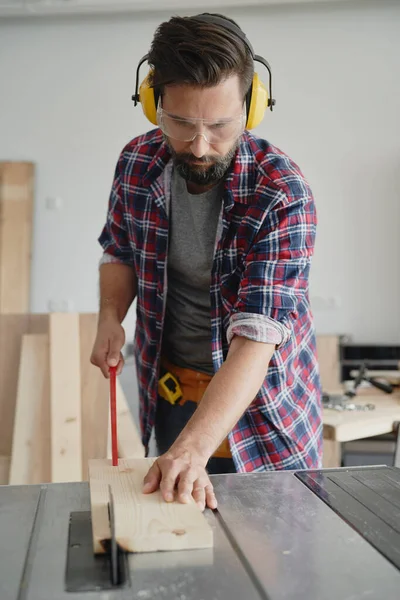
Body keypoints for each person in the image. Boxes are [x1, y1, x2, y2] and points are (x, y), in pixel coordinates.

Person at [91, 13, 323, 512]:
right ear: (154, 103)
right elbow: (120, 249)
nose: (199, 146)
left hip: (264, 416)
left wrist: (191, 452)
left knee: (272, 565)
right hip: (173, 395)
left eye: (219, 126)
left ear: (252, 107)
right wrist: (111, 315)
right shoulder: (137, 162)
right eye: (180, 124)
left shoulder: (282, 195)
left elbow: (257, 338)